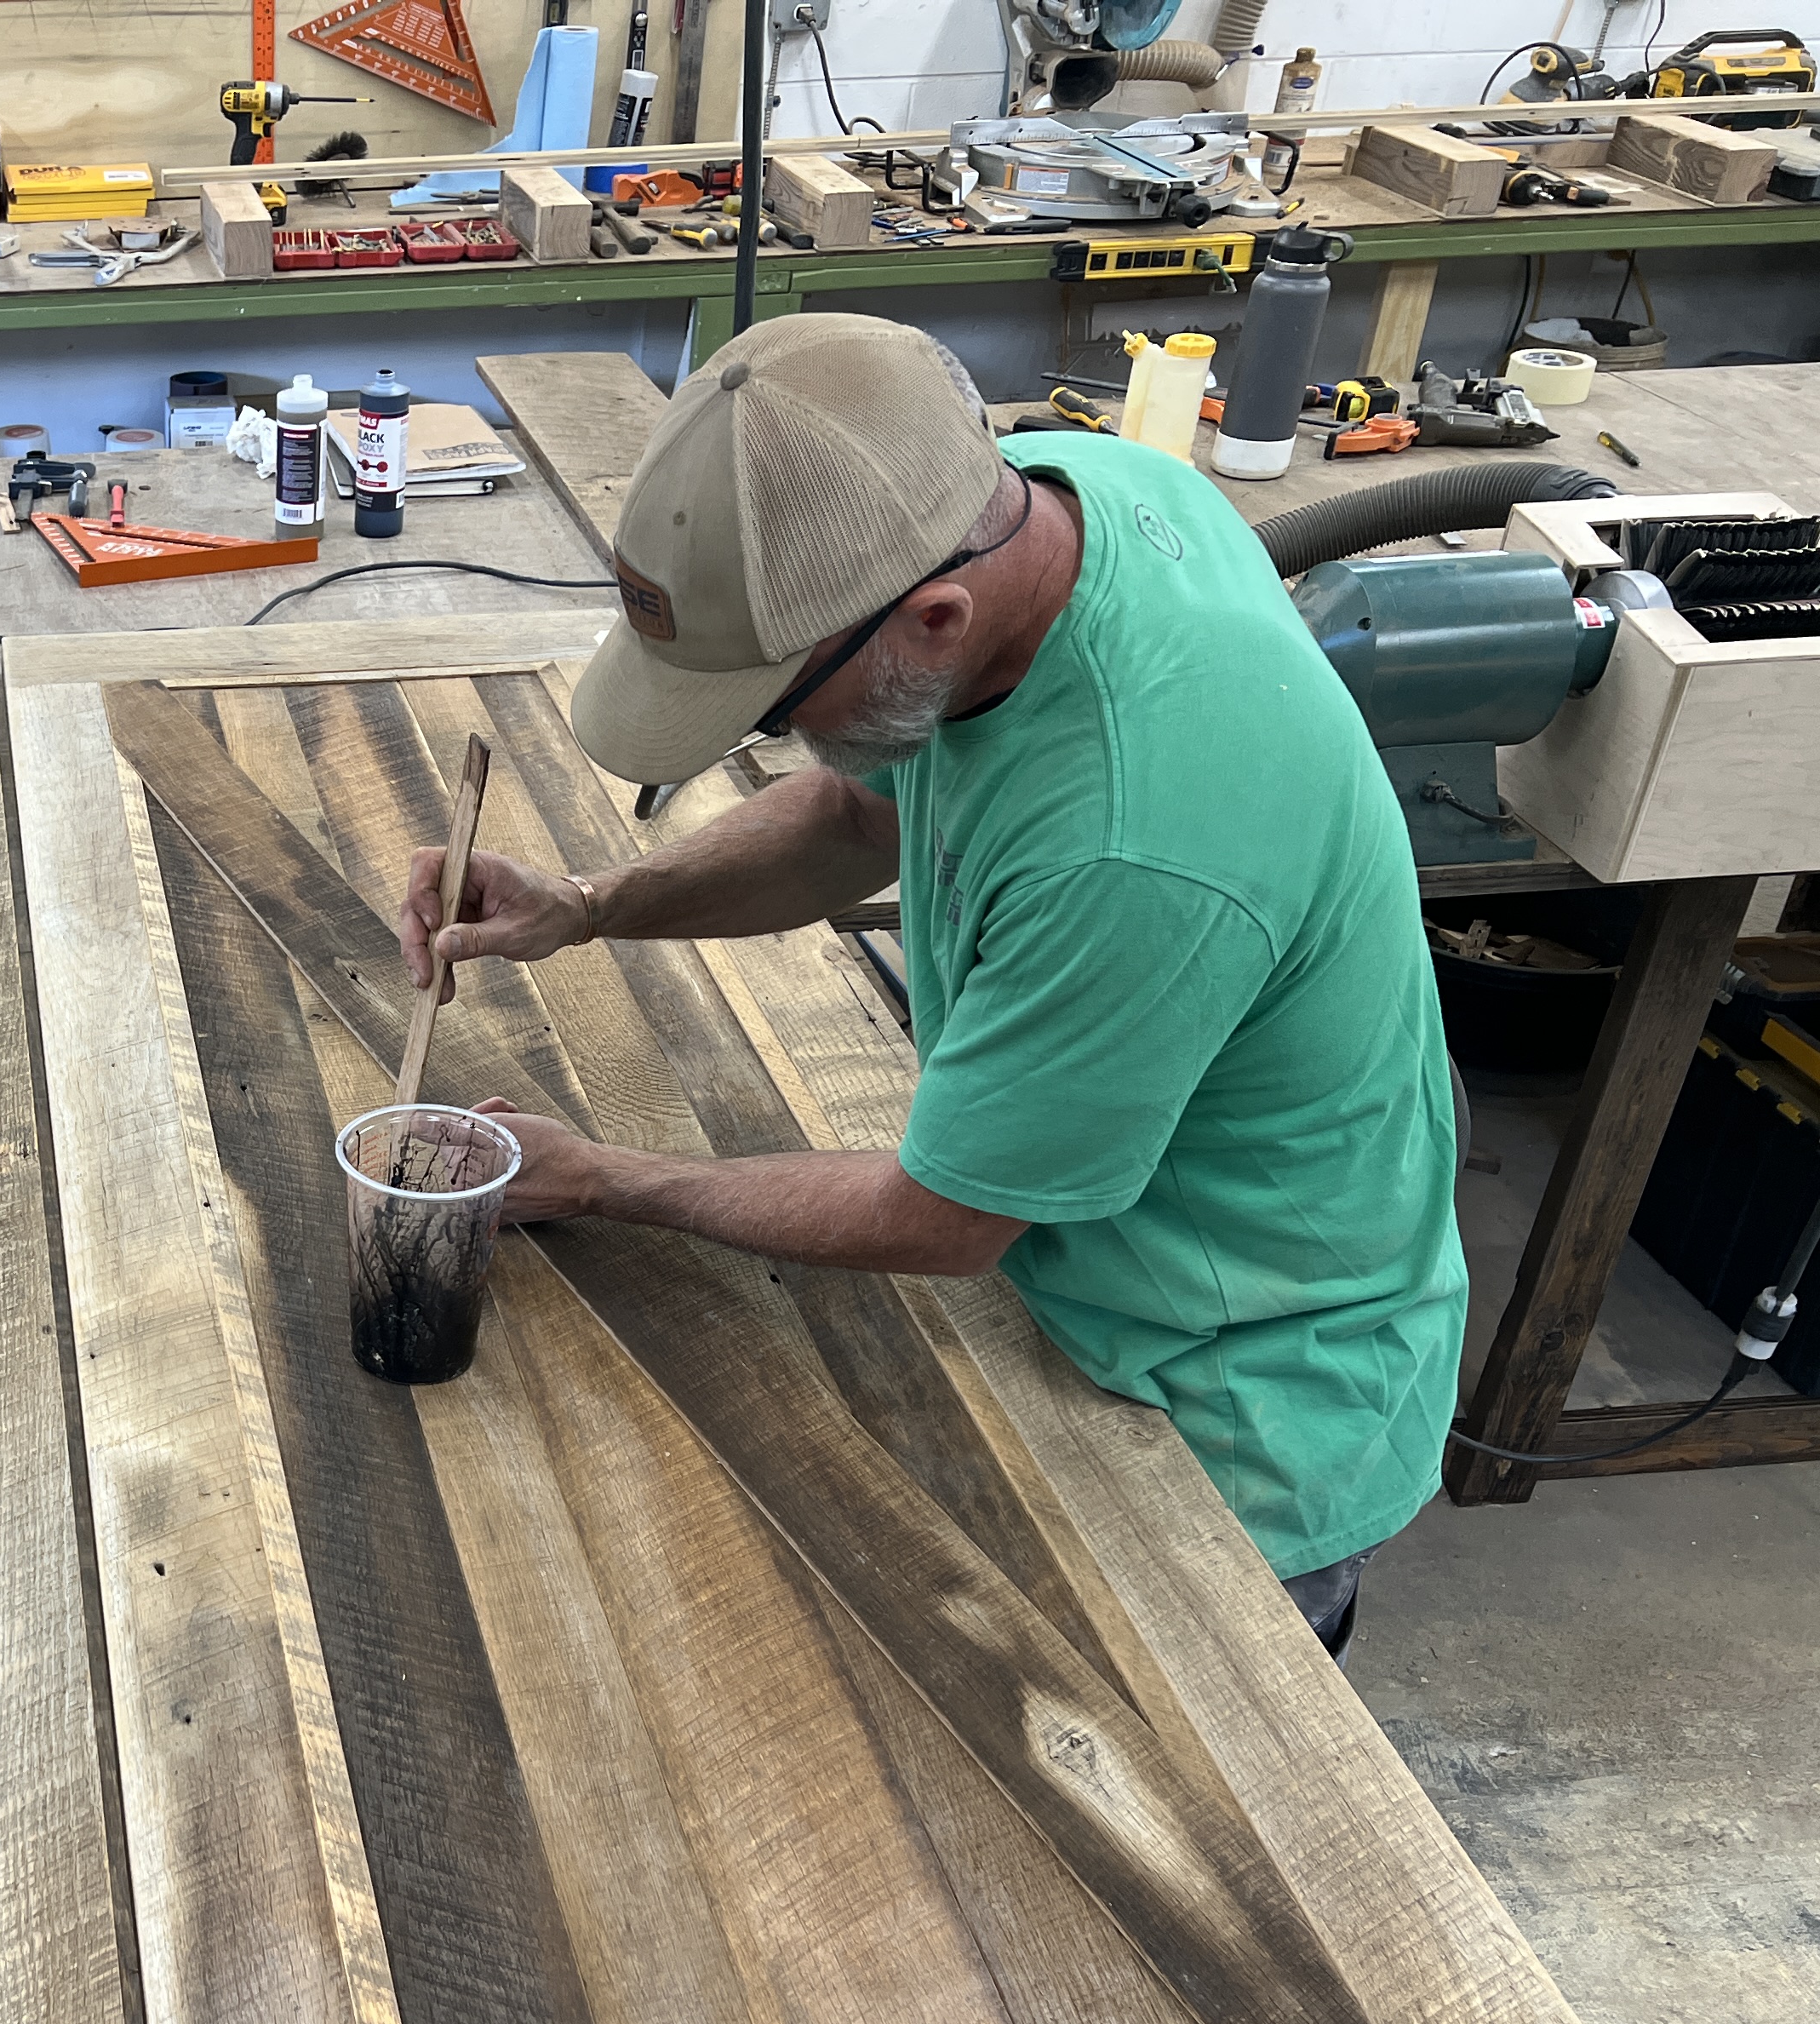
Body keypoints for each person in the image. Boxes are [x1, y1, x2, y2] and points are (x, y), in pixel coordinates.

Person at [400, 312, 1462, 1658]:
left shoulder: (1131, 845)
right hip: (1084, 1268)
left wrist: (601, 1179)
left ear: (935, 619)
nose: (775, 741)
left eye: (773, 709)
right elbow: (862, 814)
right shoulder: (1072, 495)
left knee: (1113, 1766)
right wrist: (591, 906)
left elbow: (944, 1218)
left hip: (1228, 1391)